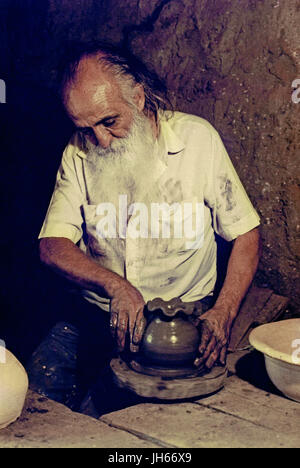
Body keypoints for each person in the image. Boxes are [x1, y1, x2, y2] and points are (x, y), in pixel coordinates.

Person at [33, 42, 260, 414]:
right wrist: (115, 285)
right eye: (86, 128)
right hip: (97, 315)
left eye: (109, 121)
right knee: (29, 406)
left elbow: (246, 234)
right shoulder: (79, 150)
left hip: (182, 325)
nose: (101, 140)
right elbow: (52, 245)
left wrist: (223, 313)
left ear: (137, 98)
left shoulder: (197, 141)